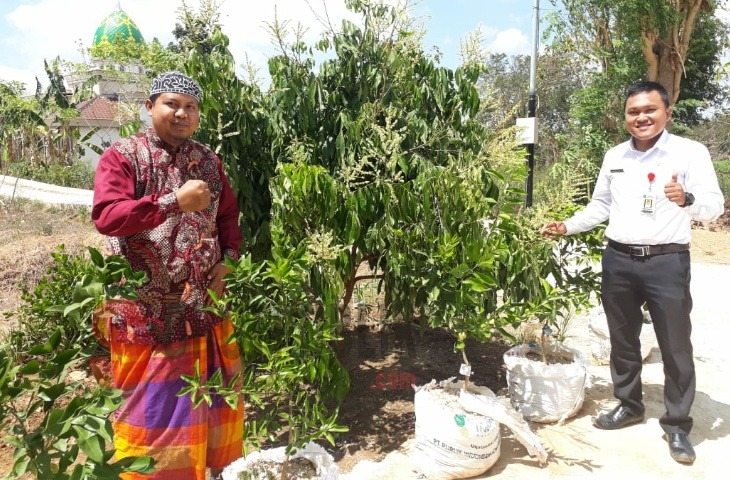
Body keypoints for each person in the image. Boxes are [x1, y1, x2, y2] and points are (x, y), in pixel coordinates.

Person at [542, 80, 724, 465]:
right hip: (619, 260)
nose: (641, 117)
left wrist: (686, 199)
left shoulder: (691, 152)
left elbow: (713, 206)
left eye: (649, 110)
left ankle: (676, 424)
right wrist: (567, 226)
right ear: (625, 117)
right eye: (633, 112)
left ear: (667, 113)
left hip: (667, 261)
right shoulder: (615, 156)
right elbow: (599, 206)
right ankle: (630, 405)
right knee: (622, 339)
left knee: (675, 345)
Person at [92, 71, 244, 479]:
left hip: (202, 307)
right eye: (172, 104)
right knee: (151, 414)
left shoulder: (209, 161)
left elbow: (227, 216)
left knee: (210, 404)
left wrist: (228, 258)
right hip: (146, 313)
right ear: (150, 107)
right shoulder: (123, 156)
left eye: (191, 107)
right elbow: (107, 217)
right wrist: (173, 202)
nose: (182, 113)